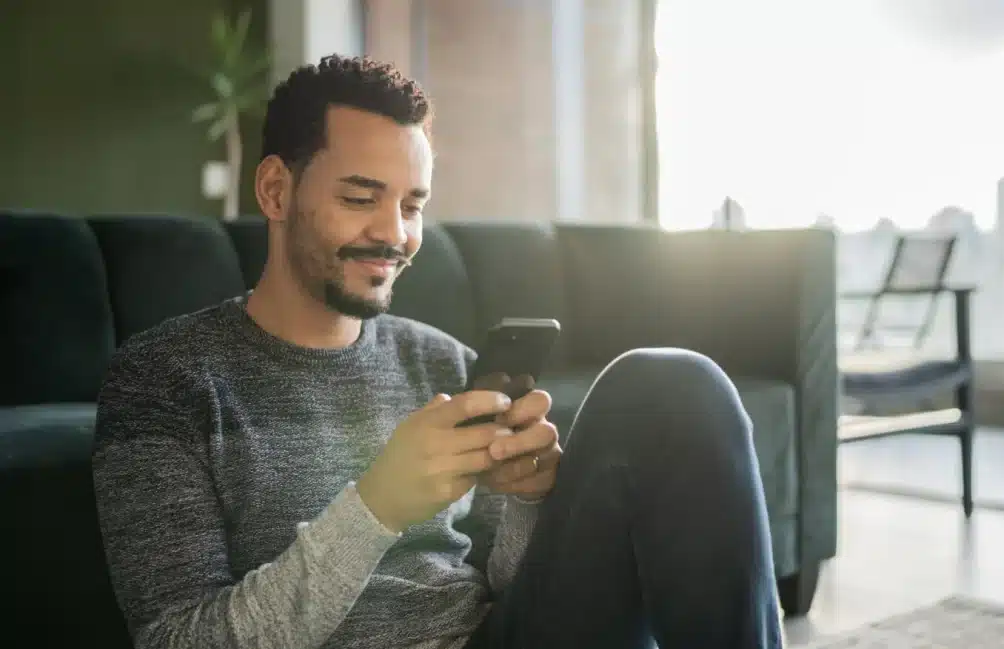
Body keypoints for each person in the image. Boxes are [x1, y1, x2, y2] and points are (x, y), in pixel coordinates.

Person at [92, 55, 784, 649]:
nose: (394, 234)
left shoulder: (442, 363)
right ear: (276, 189)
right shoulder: (163, 379)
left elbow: (505, 584)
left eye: (412, 205)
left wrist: (529, 501)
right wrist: (376, 505)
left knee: (670, 384)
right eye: (362, 197)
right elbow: (179, 637)